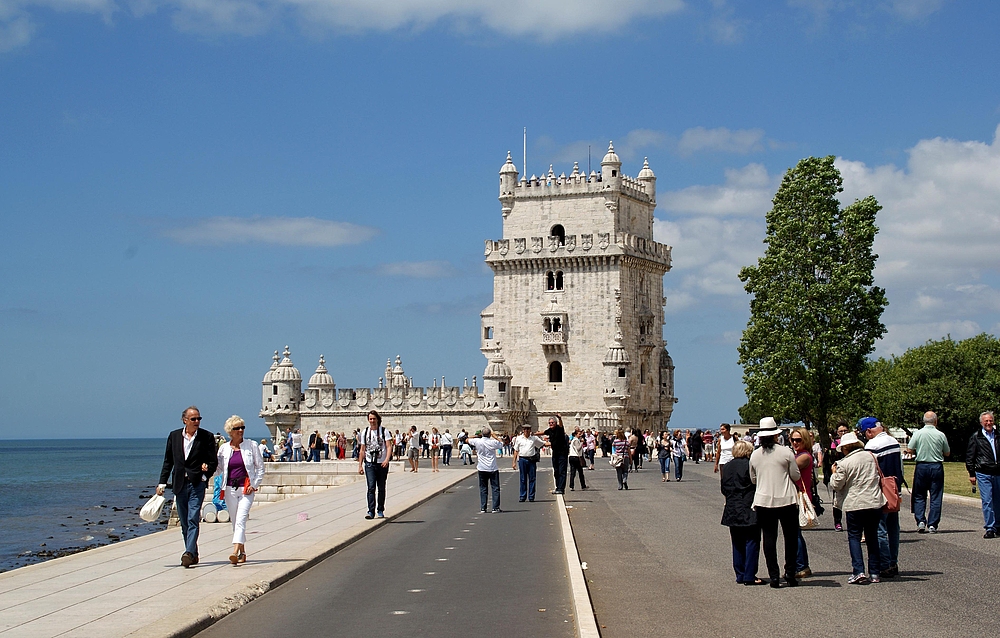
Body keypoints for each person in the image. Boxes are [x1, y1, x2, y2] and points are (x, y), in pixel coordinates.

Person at [157, 406, 218, 568]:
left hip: (197, 483)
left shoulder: (206, 437)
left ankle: (188, 553)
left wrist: (205, 475)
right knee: (184, 521)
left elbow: (213, 461)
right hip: (179, 484)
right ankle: (194, 553)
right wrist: (162, 482)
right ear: (185, 420)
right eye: (193, 419)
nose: (197, 421)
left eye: (199, 419)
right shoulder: (174, 436)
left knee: (193, 518)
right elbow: (168, 461)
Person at [748, 417, 801, 588]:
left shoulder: (755, 455)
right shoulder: (786, 452)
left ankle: (774, 576)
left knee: (769, 538)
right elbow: (796, 475)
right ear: (776, 435)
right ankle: (790, 573)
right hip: (786, 498)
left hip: (764, 500)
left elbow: (753, 479)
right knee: (790, 538)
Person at [830, 432, 886, 584]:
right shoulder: (871, 457)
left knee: (854, 536)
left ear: (846, 448)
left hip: (855, 503)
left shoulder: (844, 463)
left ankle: (858, 571)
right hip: (874, 502)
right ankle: (875, 572)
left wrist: (834, 473)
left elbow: (836, 484)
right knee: (872, 536)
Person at [215, 416, 265, 565]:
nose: (241, 430)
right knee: (235, 521)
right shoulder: (224, 449)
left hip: (246, 489)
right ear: (231, 431)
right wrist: (204, 470)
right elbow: (218, 468)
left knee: (241, 519)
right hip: (230, 489)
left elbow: (260, 467)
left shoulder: (251, 445)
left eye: (242, 427)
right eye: (237, 428)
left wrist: (254, 484)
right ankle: (243, 551)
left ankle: (234, 552)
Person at [861, 417, 903, 576]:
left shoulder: (872, 445)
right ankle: (893, 561)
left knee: (880, 529)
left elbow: (870, 470)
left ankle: (884, 564)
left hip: (880, 492)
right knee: (893, 529)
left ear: (869, 431)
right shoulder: (894, 441)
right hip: (893, 489)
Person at [722, 440, 764, 585]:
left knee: (737, 542)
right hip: (748, 505)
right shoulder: (750, 465)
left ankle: (740, 573)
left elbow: (724, 488)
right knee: (752, 541)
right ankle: (750, 574)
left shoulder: (727, 467)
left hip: (732, 506)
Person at [905, 411, 950, 533]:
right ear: (935, 421)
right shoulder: (940, 435)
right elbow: (947, 452)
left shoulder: (918, 433)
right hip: (936, 466)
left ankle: (920, 520)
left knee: (919, 494)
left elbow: (909, 448)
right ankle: (933, 524)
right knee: (936, 496)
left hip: (922, 466)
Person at [966, 411, 1000, 539]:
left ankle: (998, 525)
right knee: (987, 500)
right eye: (986, 421)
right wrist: (971, 473)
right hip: (983, 472)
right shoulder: (976, 437)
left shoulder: (998, 435)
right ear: (981, 422)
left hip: (998, 472)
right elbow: (970, 457)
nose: (989, 423)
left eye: (990, 420)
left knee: (998, 500)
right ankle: (990, 527)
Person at [357, 410, 392, 519]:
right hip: (369, 464)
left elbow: (389, 446)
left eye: (374, 419)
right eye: (370, 419)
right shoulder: (365, 432)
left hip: (382, 464)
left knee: (381, 487)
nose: (372, 421)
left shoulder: (384, 431)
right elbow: (362, 450)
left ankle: (380, 509)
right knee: (371, 487)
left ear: (377, 419)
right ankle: (371, 511)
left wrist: (387, 459)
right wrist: (360, 465)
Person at [789, 427, 814, 579]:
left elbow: (788, 467)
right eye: (793, 440)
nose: (795, 443)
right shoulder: (797, 454)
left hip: (800, 496)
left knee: (795, 533)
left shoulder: (804, 456)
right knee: (795, 533)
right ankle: (801, 565)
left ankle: (802, 565)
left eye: (798, 440)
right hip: (796, 494)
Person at [469, 427, 503, 512]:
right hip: (492, 468)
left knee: (483, 488)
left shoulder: (477, 441)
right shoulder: (493, 442)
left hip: (481, 468)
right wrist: (495, 436)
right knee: (495, 488)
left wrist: (476, 436)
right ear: (489, 434)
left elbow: (467, 439)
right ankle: (495, 507)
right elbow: (501, 443)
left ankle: (483, 507)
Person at [827, 422, 850, 531]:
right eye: (841, 431)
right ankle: (837, 521)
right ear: (837, 432)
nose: (843, 432)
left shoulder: (852, 441)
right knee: (837, 500)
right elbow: (832, 458)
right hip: (839, 470)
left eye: (845, 430)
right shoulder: (835, 443)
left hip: (849, 471)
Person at [512, 424, 544, 502]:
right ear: (523, 430)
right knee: (523, 479)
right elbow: (516, 450)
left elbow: (542, 444)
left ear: (530, 430)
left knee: (532, 478)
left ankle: (531, 496)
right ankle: (522, 496)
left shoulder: (534, 438)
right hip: (522, 459)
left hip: (531, 460)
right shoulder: (519, 439)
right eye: (525, 429)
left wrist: (556, 442)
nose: (526, 430)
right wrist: (514, 462)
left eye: (528, 429)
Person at [543, 415, 569, 494]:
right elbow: (543, 432)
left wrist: (560, 418)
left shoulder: (559, 429)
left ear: (555, 423)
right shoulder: (550, 430)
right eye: (549, 423)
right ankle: (558, 487)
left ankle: (561, 488)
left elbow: (561, 425)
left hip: (562, 454)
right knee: (556, 471)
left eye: (552, 422)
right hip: (555, 454)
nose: (550, 424)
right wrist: (532, 434)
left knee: (562, 471)